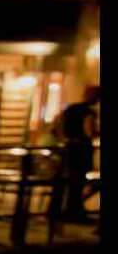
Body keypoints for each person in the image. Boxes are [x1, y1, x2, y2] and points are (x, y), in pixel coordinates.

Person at [53, 84, 99, 223]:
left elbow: (58, 124)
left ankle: (58, 211)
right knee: (78, 182)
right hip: (81, 149)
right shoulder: (88, 112)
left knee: (67, 181)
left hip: (68, 148)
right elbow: (88, 131)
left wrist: (64, 138)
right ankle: (74, 212)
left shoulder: (70, 108)